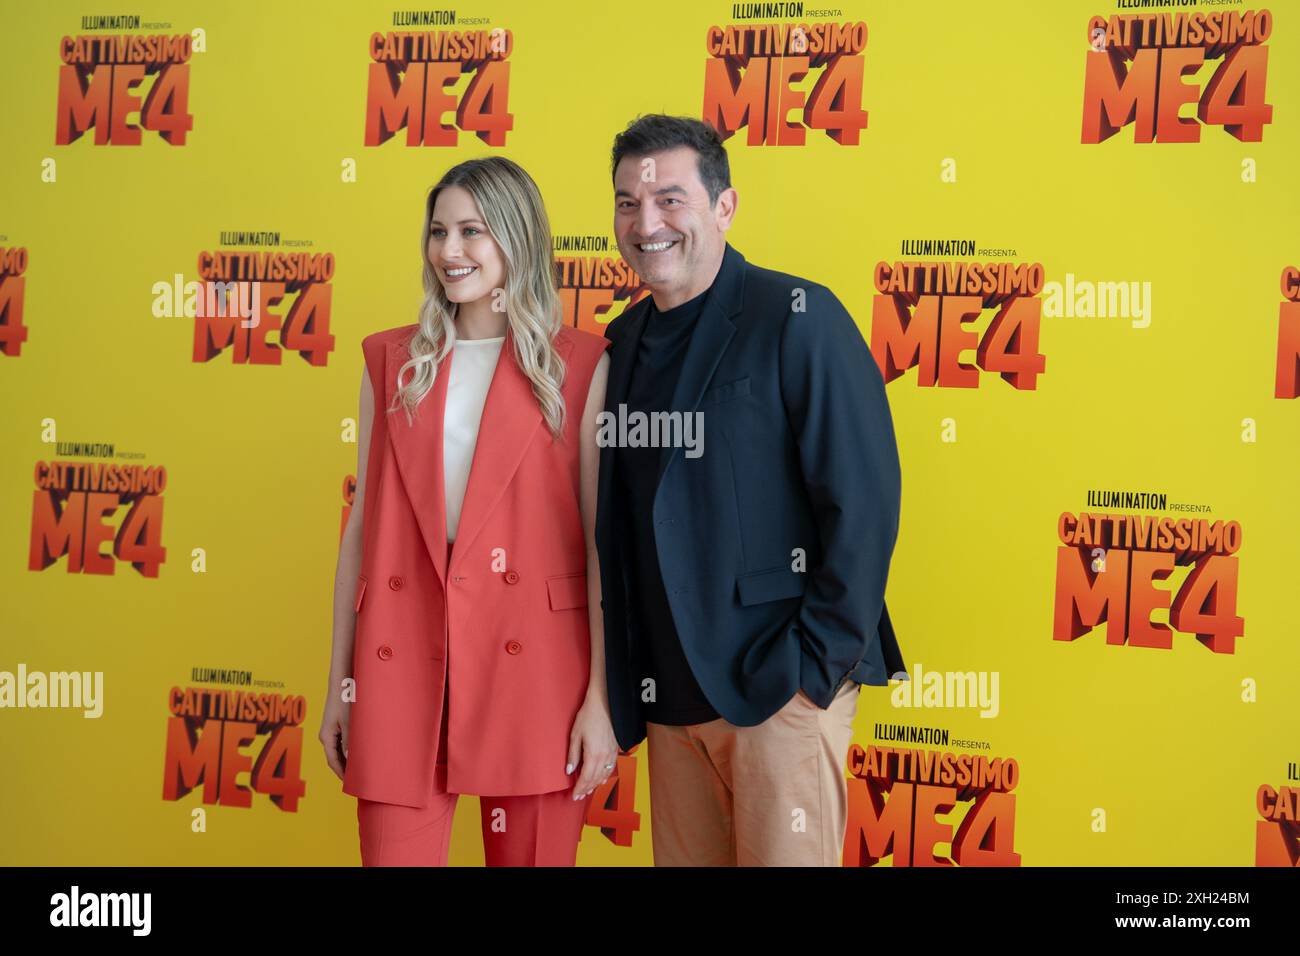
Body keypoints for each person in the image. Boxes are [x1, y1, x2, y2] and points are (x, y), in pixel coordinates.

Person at [595, 114, 906, 866]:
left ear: (724, 207)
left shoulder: (795, 315)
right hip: (668, 703)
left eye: (671, 200)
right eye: (629, 204)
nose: (648, 224)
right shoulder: (621, 342)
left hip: (777, 692)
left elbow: (862, 501)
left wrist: (813, 673)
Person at [319, 156, 616, 866]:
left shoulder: (578, 364)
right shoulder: (392, 361)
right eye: (439, 231)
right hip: (401, 657)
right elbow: (363, 531)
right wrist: (341, 685)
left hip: (539, 667)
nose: (449, 251)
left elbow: (602, 544)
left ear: (517, 240)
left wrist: (602, 701)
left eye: (472, 232)